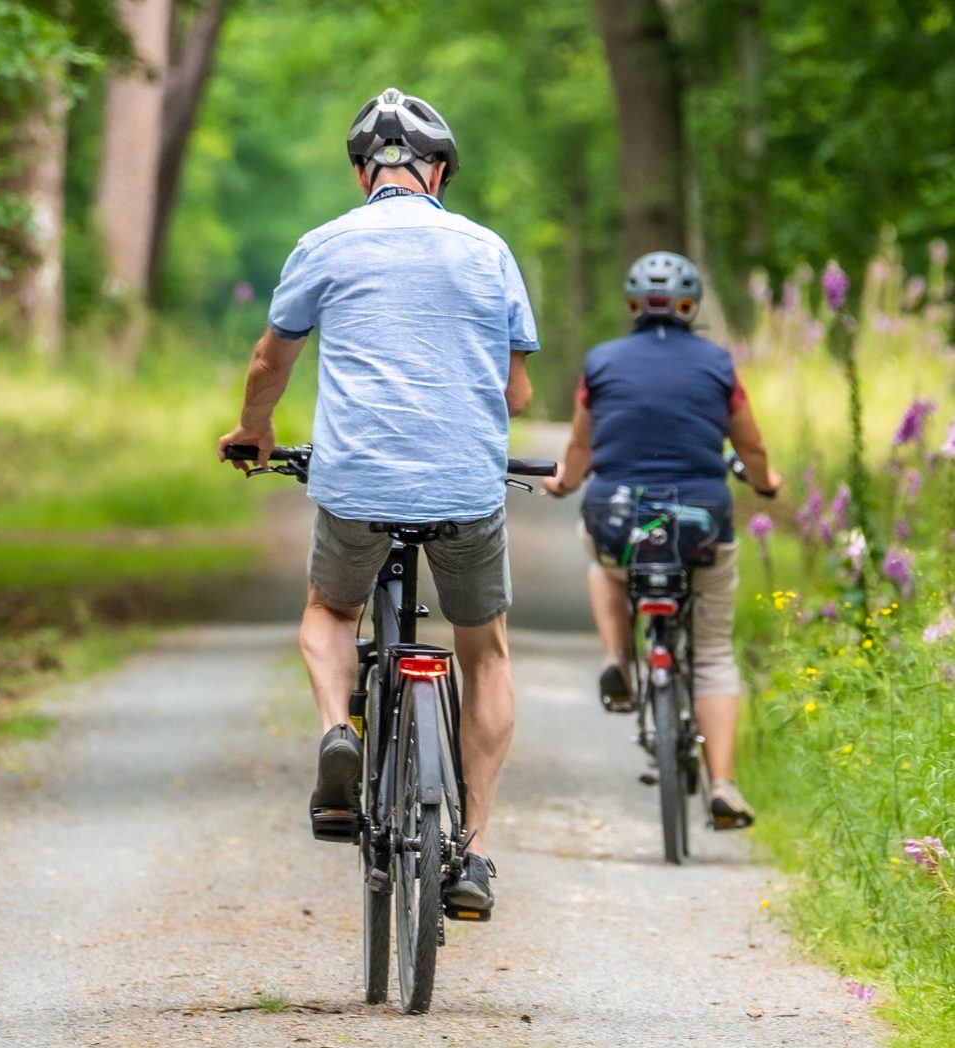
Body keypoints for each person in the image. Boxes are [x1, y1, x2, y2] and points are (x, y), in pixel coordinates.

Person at [218, 88, 539, 914]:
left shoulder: (325, 243)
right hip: (466, 486)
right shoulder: (487, 249)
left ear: (365, 172)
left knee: (330, 611)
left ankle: (338, 732)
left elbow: (268, 361)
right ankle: (472, 854)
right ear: (439, 171)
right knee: (487, 650)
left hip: (357, 481)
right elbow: (518, 390)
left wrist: (256, 431)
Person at [543, 251, 781, 828]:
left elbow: (580, 449)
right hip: (701, 523)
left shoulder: (600, 363)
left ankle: (617, 657)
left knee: (602, 562)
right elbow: (749, 446)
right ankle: (723, 785)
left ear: (631, 304)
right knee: (716, 653)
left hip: (619, 520)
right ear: (690, 304)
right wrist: (768, 482)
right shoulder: (719, 364)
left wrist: (565, 483)